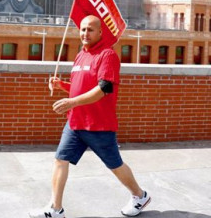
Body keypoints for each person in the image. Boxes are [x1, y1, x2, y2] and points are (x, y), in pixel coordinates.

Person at [28, 15, 151, 218]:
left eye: (90, 29)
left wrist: (72, 102)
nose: (85, 33)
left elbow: (104, 88)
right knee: (60, 160)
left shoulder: (107, 55)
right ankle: (55, 209)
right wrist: (63, 86)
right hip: (75, 123)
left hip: (98, 125)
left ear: (100, 32)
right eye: (83, 29)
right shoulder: (80, 55)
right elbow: (80, 88)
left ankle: (140, 195)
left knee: (115, 164)